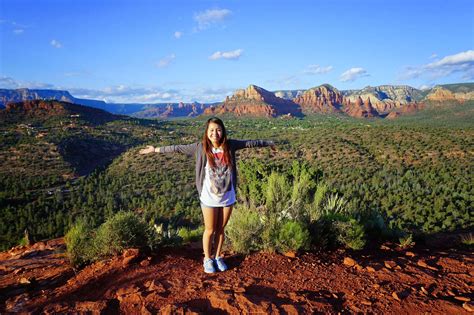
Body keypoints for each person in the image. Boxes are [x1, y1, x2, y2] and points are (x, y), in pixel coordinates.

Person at [139, 117, 275, 273]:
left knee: (221, 229)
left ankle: (217, 257)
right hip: (209, 197)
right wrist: (155, 149)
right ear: (206, 132)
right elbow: (177, 147)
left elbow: (250, 143)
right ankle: (207, 259)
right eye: (211, 130)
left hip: (227, 196)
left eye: (218, 130)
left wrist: (269, 142)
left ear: (223, 131)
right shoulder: (199, 147)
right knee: (210, 229)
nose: (215, 133)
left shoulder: (230, 145)